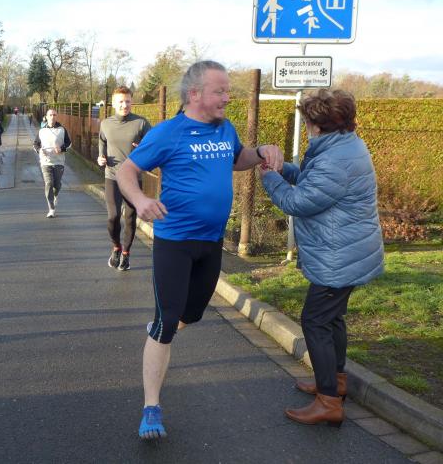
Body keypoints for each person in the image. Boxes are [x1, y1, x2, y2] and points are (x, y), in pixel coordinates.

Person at [116, 60, 284, 439]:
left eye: (228, 91)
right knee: (166, 324)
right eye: (219, 91)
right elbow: (127, 171)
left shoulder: (226, 128)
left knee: (191, 314)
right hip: (175, 243)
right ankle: (151, 408)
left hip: (212, 242)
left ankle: (162, 326)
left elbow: (237, 158)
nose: (227, 97)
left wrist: (260, 152)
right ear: (194, 94)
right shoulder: (169, 133)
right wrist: (140, 201)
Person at [259, 89, 383, 427]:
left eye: (307, 121)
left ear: (317, 124)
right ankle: (335, 382)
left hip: (339, 255)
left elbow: (298, 202)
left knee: (315, 320)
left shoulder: (333, 159)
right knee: (331, 318)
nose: (306, 127)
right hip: (347, 250)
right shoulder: (343, 146)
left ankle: (328, 401)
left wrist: (269, 178)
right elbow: (313, 183)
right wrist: (283, 169)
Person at [97, 86, 151, 271]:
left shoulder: (141, 123)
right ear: (113, 103)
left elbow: (154, 146)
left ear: (131, 102)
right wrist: (100, 158)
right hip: (112, 176)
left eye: (128, 101)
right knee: (113, 217)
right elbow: (102, 143)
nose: (124, 105)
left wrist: (143, 148)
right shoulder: (106, 124)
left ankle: (126, 254)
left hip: (133, 178)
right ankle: (116, 247)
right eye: (120, 101)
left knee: (129, 217)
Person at [33, 108, 71, 218]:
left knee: (57, 184)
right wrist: (40, 150)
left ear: (56, 116)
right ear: (46, 116)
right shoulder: (42, 131)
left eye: (54, 115)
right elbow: (35, 144)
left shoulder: (62, 129)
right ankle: (51, 208)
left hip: (59, 161)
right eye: (50, 115)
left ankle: (55, 194)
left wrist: (62, 148)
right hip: (46, 162)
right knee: (49, 183)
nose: (52, 117)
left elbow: (69, 143)